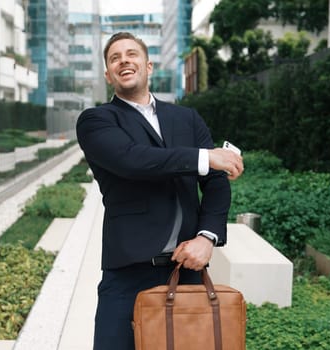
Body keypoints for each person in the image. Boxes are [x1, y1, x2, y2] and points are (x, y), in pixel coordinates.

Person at [76, 32, 244, 350]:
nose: (124, 60)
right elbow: (132, 161)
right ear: (108, 74)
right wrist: (205, 157)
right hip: (128, 274)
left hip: (188, 268)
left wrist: (207, 238)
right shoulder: (96, 121)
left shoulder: (187, 118)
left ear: (148, 66)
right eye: (115, 58)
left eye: (132, 54)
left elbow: (216, 183)